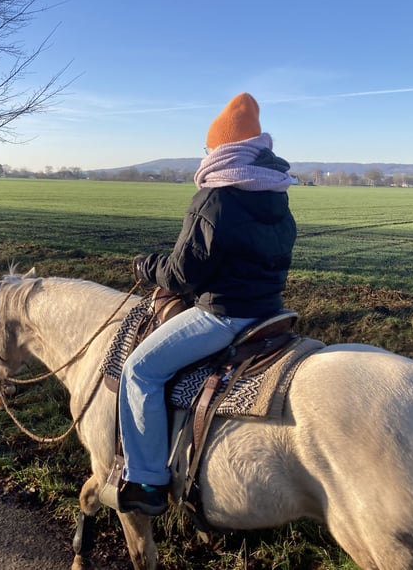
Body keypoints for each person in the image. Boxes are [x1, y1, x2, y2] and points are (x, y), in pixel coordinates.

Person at [118, 92, 297, 516]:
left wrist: (148, 267)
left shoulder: (214, 198)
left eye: (209, 147)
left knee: (139, 370)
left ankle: (147, 481)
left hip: (223, 315)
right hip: (271, 311)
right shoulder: (275, 195)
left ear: (221, 150)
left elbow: (183, 277)